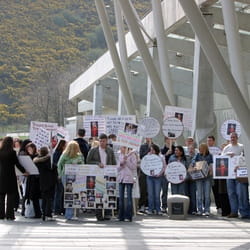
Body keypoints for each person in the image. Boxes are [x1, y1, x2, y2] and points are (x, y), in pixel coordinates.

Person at [86, 133, 116, 221]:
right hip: (97, 175)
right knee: (98, 195)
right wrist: (97, 163)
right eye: (100, 141)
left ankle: (107, 213)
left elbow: (113, 162)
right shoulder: (93, 150)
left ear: (106, 141)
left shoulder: (110, 150)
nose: (102, 143)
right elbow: (88, 161)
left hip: (108, 174)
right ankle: (98, 214)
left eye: (104, 141)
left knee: (107, 193)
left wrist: (113, 172)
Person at [222, 132, 250, 219]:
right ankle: (234, 211)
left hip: (240, 174)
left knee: (241, 193)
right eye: (231, 137)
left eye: (234, 137)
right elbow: (221, 159)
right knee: (231, 193)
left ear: (237, 138)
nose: (232, 139)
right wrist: (227, 155)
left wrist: (240, 164)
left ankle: (244, 212)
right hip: (229, 175)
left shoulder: (242, 147)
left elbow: (246, 158)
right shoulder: (226, 148)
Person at [0, 136, 29, 220]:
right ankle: (9, 215)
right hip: (10, 176)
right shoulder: (12, 152)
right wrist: (24, 172)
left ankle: (1, 215)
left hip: (1, 176)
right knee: (10, 196)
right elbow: (17, 164)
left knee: (1, 197)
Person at [57, 141, 84, 220]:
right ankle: (71, 214)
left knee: (70, 195)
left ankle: (71, 214)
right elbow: (82, 165)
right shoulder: (78, 156)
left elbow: (59, 165)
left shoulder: (65, 155)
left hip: (69, 176)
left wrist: (60, 174)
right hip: (72, 176)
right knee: (72, 194)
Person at [34, 147, 57, 221]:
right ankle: (48, 214)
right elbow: (53, 168)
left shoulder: (37, 161)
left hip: (42, 181)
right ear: (47, 152)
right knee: (49, 198)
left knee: (44, 198)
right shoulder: (49, 160)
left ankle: (43, 213)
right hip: (50, 181)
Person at [192, 143, 213, 216]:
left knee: (207, 195)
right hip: (199, 177)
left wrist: (211, 169)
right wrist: (194, 165)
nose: (199, 150)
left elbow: (211, 164)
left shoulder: (210, 156)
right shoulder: (197, 155)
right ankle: (200, 210)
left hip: (207, 177)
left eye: (200, 148)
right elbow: (193, 161)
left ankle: (207, 210)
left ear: (204, 149)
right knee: (199, 195)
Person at [117, 146, 137, 222]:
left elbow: (134, 167)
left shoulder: (132, 155)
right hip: (121, 178)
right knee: (121, 198)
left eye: (124, 148)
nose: (122, 149)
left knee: (129, 197)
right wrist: (121, 164)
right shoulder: (119, 155)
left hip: (129, 178)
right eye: (122, 147)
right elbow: (118, 168)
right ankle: (121, 216)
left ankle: (129, 216)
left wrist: (127, 161)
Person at [146, 144, 166, 215]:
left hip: (158, 177)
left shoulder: (161, 157)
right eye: (150, 150)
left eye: (153, 150)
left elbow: (164, 167)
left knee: (157, 194)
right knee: (150, 194)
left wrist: (159, 174)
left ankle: (158, 209)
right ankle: (150, 209)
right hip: (149, 177)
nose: (151, 151)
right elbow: (145, 165)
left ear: (156, 150)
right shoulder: (148, 156)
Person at [24, 142, 42, 218]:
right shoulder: (29, 157)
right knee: (29, 195)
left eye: (30, 149)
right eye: (28, 149)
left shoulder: (37, 157)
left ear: (34, 148)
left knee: (34, 196)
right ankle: (29, 212)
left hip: (35, 179)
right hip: (30, 178)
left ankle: (37, 213)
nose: (29, 150)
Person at [207, 135, 222, 215]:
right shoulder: (205, 149)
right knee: (205, 192)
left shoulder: (218, 150)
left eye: (210, 140)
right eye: (208, 141)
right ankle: (206, 208)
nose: (209, 142)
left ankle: (219, 207)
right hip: (206, 174)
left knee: (216, 191)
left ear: (213, 141)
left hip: (216, 174)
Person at [160, 137, 175, 213]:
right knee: (165, 190)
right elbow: (160, 160)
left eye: (172, 139)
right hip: (165, 173)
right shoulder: (162, 150)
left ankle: (174, 206)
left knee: (174, 190)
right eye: (169, 139)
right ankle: (164, 206)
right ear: (165, 140)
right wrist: (166, 154)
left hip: (174, 173)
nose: (170, 141)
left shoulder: (176, 149)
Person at [52, 139, 67, 215]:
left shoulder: (57, 153)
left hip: (59, 175)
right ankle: (58, 209)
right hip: (59, 175)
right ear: (63, 146)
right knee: (59, 192)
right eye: (65, 145)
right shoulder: (59, 153)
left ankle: (59, 209)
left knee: (60, 192)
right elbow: (56, 164)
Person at [138, 138, 152, 213]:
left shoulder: (155, 146)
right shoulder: (142, 146)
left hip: (152, 170)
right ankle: (142, 205)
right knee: (143, 188)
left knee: (150, 189)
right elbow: (141, 156)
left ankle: (149, 205)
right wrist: (148, 149)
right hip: (144, 170)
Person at [185, 145, 197, 215]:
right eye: (189, 149)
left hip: (194, 178)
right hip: (186, 178)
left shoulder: (197, 157)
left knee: (193, 194)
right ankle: (187, 209)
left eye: (192, 149)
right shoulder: (185, 157)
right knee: (186, 194)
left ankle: (193, 209)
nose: (191, 150)